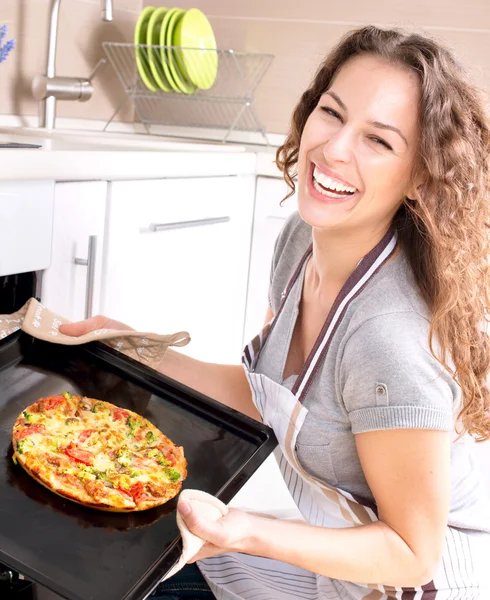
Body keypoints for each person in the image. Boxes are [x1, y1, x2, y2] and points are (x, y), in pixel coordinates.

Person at [60, 25, 490, 600]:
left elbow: (412, 554)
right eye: (332, 113)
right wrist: (135, 351)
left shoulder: (388, 338)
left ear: (419, 178)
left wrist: (244, 533)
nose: (334, 149)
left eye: (378, 141)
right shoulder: (301, 241)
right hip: (340, 560)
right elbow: (272, 397)